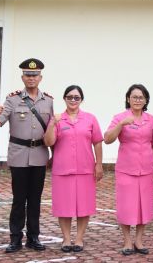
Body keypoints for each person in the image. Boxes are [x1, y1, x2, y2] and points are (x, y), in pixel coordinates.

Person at [0, 58, 54, 253]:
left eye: (35, 75)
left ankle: (33, 237)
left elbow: (53, 129)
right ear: (22, 77)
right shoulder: (12, 99)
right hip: (19, 154)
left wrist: (53, 154)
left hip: (39, 154)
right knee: (19, 199)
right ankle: (15, 238)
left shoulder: (49, 100)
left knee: (35, 199)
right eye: (28, 75)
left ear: (40, 77)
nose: (31, 78)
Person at [104, 83, 153, 256]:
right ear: (128, 99)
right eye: (134, 97)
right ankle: (127, 241)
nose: (137, 100)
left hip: (146, 168)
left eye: (141, 97)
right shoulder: (120, 117)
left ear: (146, 100)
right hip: (126, 168)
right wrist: (121, 124)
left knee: (144, 205)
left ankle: (139, 239)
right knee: (126, 205)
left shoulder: (151, 119)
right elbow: (107, 139)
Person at [44, 84, 103, 253]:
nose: (73, 100)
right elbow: (49, 142)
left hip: (85, 169)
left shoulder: (90, 119)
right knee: (64, 206)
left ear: (81, 100)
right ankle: (66, 239)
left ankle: (78, 239)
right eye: (69, 97)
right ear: (64, 99)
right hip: (62, 169)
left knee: (84, 206)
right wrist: (52, 124)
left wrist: (98, 164)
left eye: (76, 97)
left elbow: (97, 142)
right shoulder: (57, 118)